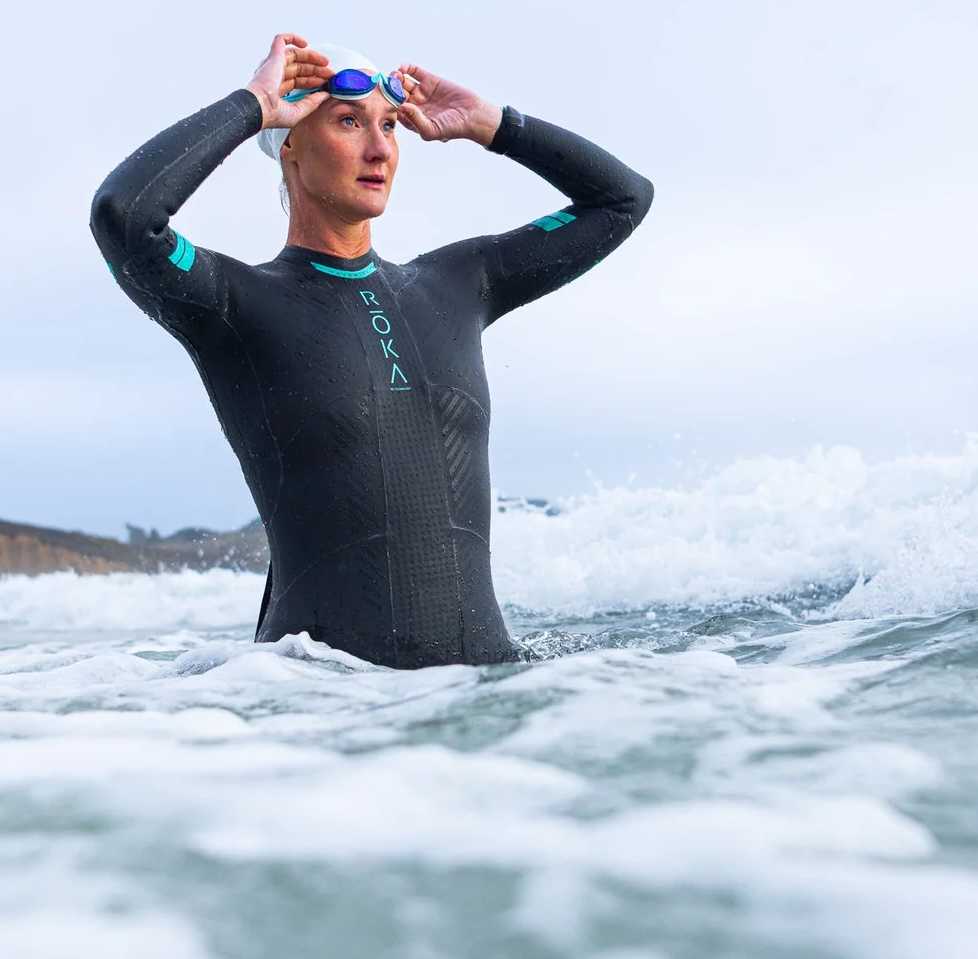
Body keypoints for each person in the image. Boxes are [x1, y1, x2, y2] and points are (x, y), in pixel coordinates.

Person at [89, 33, 652, 668]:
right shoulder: (239, 306)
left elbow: (622, 200)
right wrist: (251, 106)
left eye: (390, 126)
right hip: (330, 714)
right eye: (350, 123)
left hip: (492, 711)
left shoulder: (457, 284)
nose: (381, 147)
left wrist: (493, 125)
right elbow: (124, 214)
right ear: (291, 143)